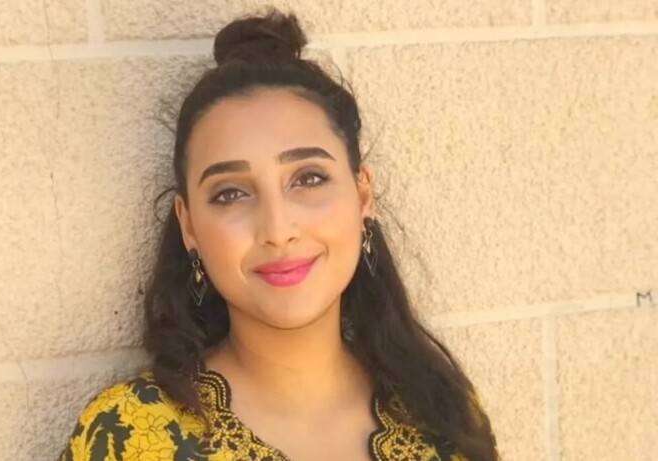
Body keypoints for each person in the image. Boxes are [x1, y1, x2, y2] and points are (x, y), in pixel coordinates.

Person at [57, 8, 499, 461]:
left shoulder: (443, 418)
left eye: (308, 179)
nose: (277, 229)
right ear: (188, 225)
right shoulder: (127, 434)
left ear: (362, 194)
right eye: (230, 193)